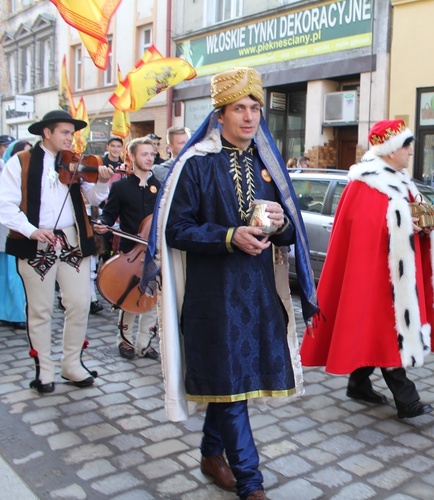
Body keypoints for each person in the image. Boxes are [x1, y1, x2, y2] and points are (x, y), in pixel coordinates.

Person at [150, 67, 317, 499]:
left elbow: (284, 230)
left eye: (255, 108)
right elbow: (176, 230)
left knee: (233, 384)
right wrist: (228, 236)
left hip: (259, 293)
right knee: (230, 384)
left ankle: (210, 454)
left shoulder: (268, 166)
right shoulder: (196, 165)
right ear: (220, 115)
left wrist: (279, 224)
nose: (249, 117)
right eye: (239, 108)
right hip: (213, 296)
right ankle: (251, 482)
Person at [300, 119, 434, 419]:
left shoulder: (401, 179)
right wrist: (404, 222)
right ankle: (407, 401)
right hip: (379, 277)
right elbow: (365, 226)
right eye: (407, 146)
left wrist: (426, 222)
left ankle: (358, 383)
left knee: (379, 332)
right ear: (391, 150)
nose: (411, 152)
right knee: (389, 333)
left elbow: (411, 215)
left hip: (395, 276)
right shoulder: (366, 182)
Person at [0, 110, 113, 393]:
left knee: (79, 303)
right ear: (47, 133)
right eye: (64, 132)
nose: (69, 138)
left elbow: (95, 198)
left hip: (73, 240)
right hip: (37, 241)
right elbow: (5, 205)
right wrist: (30, 230)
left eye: (71, 133)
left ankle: (71, 364)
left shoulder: (76, 163)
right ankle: (45, 371)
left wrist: (101, 180)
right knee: (39, 309)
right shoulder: (20, 162)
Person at [93, 137, 160, 360]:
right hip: (130, 250)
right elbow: (109, 213)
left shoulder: (160, 186)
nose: (149, 158)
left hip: (154, 251)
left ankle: (145, 342)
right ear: (132, 157)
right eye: (144, 154)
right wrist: (103, 223)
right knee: (129, 296)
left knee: (152, 297)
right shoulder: (121, 186)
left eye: (152, 154)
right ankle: (125, 340)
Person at [0, 140, 31, 330]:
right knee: (6, 274)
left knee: (15, 274)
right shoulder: (6, 171)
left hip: (20, 230)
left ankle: (17, 312)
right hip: (6, 227)